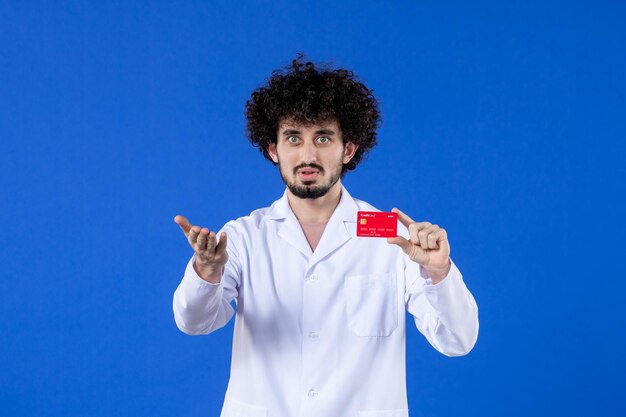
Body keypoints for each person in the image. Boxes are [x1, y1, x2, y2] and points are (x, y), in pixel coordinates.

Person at [172, 56, 479, 417]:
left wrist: (439, 274)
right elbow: (194, 323)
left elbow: (457, 340)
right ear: (273, 149)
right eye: (292, 138)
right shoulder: (242, 238)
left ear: (348, 149)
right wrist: (207, 272)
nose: (307, 155)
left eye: (322, 137)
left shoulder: (393, 237)